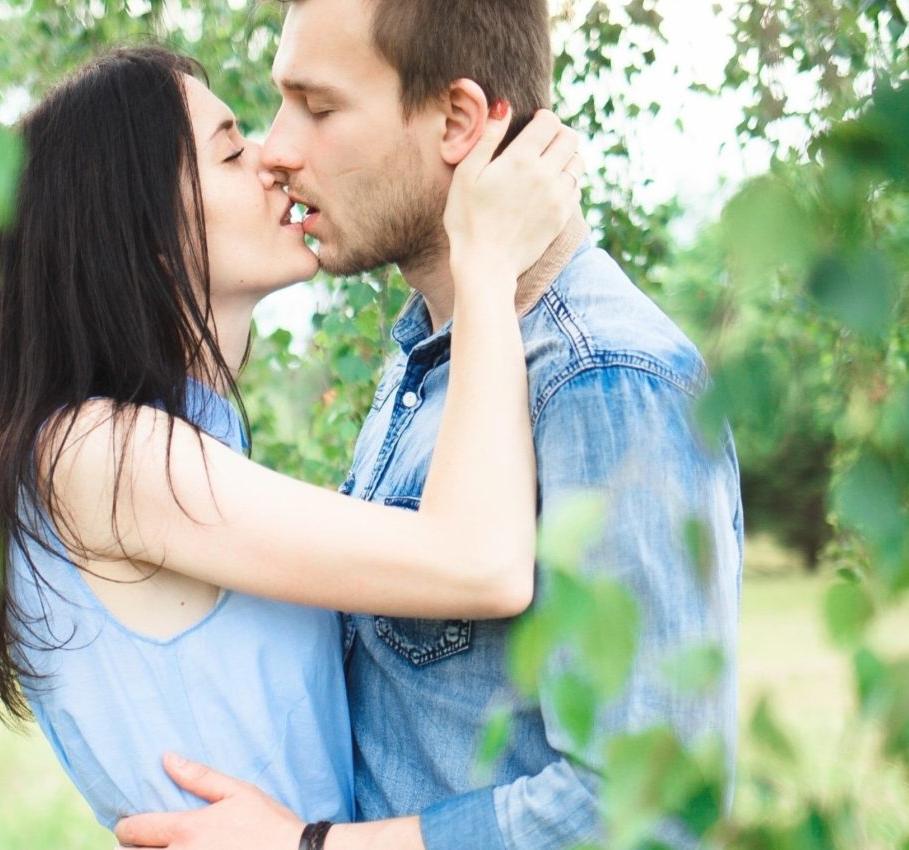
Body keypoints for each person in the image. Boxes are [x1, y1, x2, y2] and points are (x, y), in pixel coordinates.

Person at [113, 2, 744, 849]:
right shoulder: (431, 354)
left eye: (320, 107)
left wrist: (311, 847)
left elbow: (652, 813)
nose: (279, 147)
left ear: (455, 120)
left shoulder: (605, 378)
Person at [0, 45, 586, 835]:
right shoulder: (100, 456)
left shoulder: (171, 442)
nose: (275, 158)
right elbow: (482, 563)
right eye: (230, 150)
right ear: (142, 233)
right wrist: (485, 264)